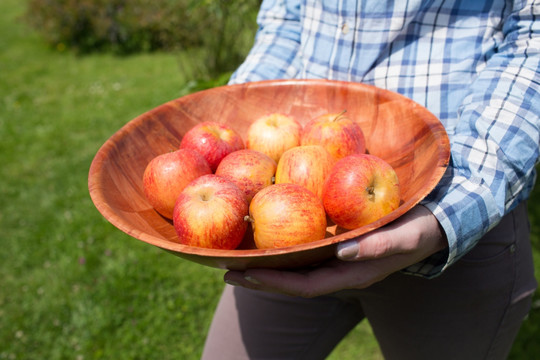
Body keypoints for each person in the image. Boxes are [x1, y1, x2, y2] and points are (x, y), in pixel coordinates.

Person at [202, 1, 539, 359]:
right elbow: (285, 17)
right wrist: (239, 115)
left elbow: (532, 34)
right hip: (289, 231)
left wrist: (452, 208)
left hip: (442, 225)